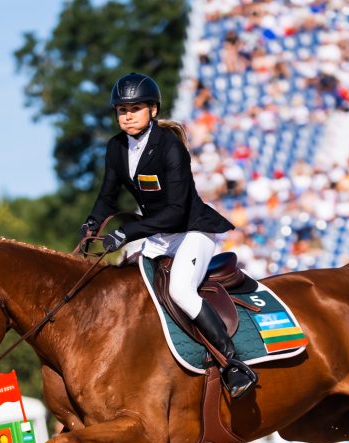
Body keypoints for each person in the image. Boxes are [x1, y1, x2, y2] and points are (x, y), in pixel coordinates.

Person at [80, 72, 257, 398]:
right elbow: (107, 195)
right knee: (126, 287)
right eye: (122, 109)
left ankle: (233, 363)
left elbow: (175, 211)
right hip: (159, 236)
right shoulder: (116, 148)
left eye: (135, 108)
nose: (128, 115)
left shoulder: (170, 148)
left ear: (153, 111)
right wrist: (92, 223)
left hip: (192, 231)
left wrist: (126, 232)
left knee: (181, 290)